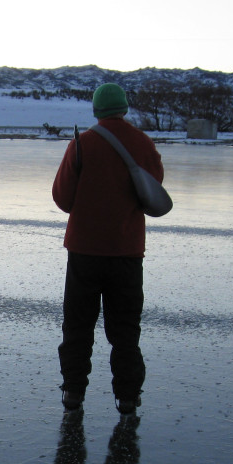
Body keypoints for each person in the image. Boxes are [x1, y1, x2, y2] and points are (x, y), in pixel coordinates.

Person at [51, 83, 164, 415]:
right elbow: (153, 187)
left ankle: (73, 392)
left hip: (84, 251)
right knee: (125, 330)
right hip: (127, 252)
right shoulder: (143, 143)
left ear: (96, 110)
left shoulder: (82, 144)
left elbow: (62, 197)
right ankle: (127, 397)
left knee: (77, 327)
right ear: (124, 108)